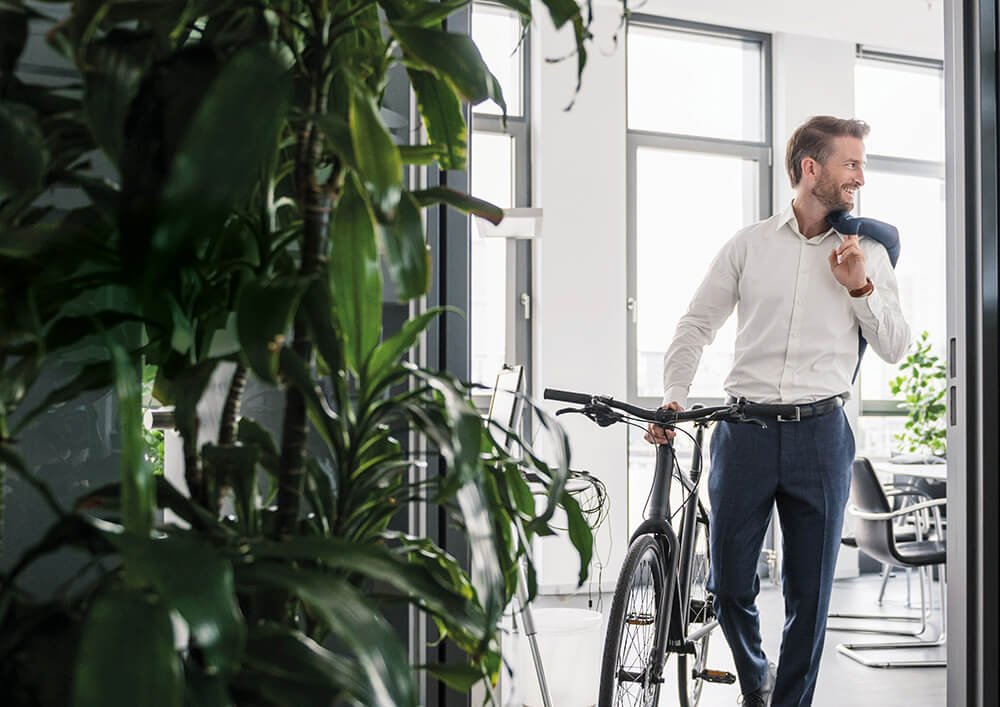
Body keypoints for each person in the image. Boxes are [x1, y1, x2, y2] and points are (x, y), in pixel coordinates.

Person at [645, 116, 911, 706]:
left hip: (821, 435)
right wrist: (675, 394)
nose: (859, 178)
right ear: (810, 169)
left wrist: (860, 288)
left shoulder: (864, 251)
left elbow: (896, 346)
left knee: (810, 595)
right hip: (744, 432)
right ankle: (755, 676)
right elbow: (695, 326)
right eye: (851, 164)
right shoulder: (749, 245)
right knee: (728, 581)